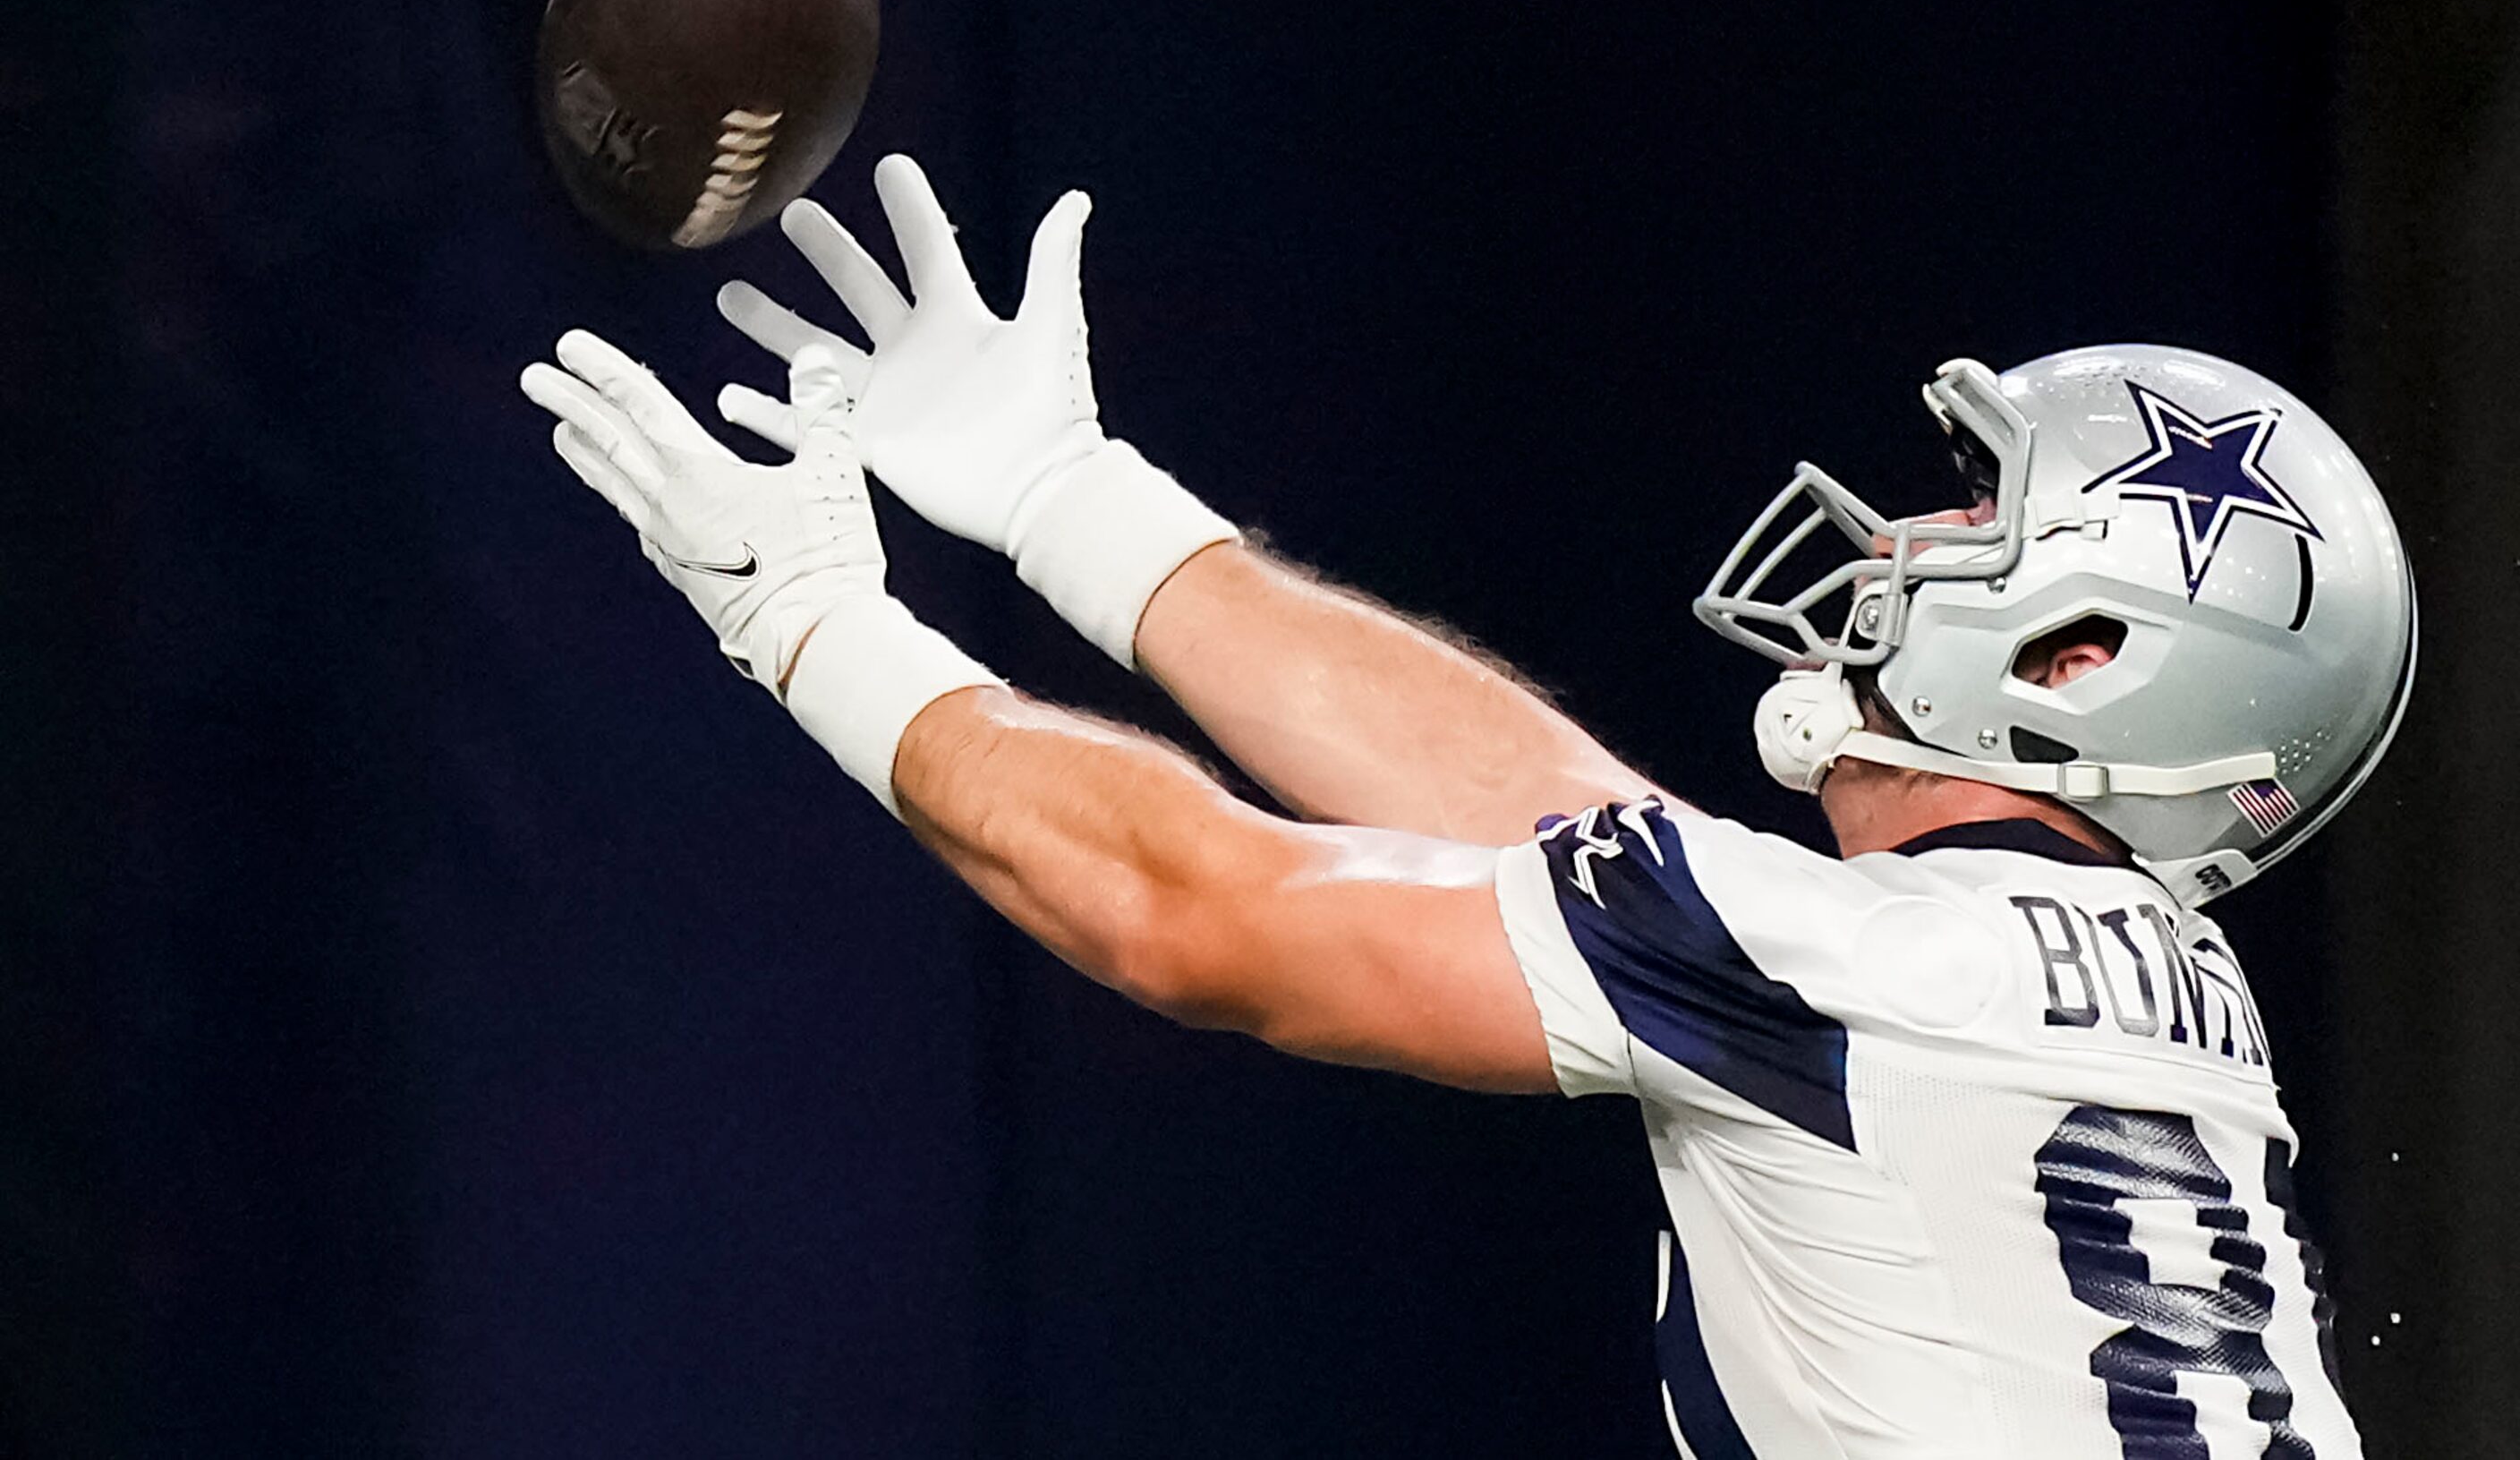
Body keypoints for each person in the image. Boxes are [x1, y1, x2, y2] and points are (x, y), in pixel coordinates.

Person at [521, 154, 2413, 1457]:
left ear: (2084, 659)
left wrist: (817, 630)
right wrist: (1067, 498)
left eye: (1977, 515)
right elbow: (1565, 825)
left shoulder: (1877, 974)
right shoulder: (2056, 981)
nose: (1906, 538)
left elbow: (1195, 913)